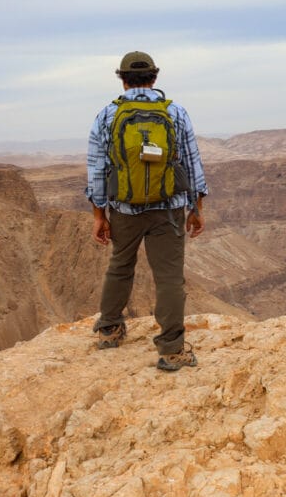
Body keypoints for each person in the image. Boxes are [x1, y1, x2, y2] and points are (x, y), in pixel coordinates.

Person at [85, 51, 209, 371]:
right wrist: (196, 208)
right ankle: (171, 350)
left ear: (123, 79)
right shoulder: (176, 112)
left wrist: (99, 216)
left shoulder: (107, 115)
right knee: (168, 278)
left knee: (120, 266)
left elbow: (97, 170)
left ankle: (110, 330)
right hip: (168, 209)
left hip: (125, 209)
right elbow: (193, 165)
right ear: (154, 78)